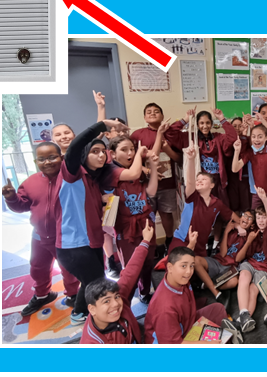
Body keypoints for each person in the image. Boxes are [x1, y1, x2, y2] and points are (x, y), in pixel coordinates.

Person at [55, 118, 129, 323]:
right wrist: (102, 124)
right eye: (94, 151)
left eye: (102, 151)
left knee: (90, 281)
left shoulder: (92, 180)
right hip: (73, 246)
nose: (100, 155)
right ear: (83, 156)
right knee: (99, 283)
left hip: (91, 242)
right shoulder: (73, 174)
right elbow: (76, 146)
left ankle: (79, 312)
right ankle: (96, 321)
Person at [2, 141, 80, 315]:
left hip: (64, 236)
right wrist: (12, 198)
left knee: (67, 269)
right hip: (39, 236)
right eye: (41, 159)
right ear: (36, 161)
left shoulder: (70, 178)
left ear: (61, 158)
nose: (47, 162)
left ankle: (74, 295)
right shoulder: (30, 182)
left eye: (52, 157)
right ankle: (42, 295)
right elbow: (22, 206)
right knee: (37, 267)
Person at [161, 140, 239, 302]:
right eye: (198, 180)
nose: (199, 182)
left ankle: (201, 286)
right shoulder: (192, 197)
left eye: (203, 180)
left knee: (196, 275)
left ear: (212, 185)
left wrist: (242, 226)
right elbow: (189, 181)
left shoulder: (217, 203)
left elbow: (231, 215)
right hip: (181, 241)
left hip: (201, 247)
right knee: (180, 270)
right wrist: (190, 159)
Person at [144, 237, 240, 344]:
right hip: (172, 343)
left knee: (217, 309)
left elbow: (181, 259)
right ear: (170, 267)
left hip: (187, 323)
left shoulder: (177, 277)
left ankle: (226, 337)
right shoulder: (165, 309)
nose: (189, 272)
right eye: (184, 266)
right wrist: (207, 344)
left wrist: (190, 246)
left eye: (192, 266)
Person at [80, 219, 155, 344]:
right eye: (106, 301)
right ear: (92, 309)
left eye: (116, 297)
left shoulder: (120, 296)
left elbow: (131, 270)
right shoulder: (92, 343)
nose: (115, 304)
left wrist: (145, 241)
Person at [103, 135, 158, 301]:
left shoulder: (137, 169)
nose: (130, 153)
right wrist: (141, 155)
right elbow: (132, 172)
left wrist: (154, 167)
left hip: (145, 221)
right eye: (124, 150)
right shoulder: (111, 171)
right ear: (112, 154)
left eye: (132, 149)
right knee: (132, 265)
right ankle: (125, 298)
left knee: (148, 261)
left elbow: (151, 192)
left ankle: (144, 292)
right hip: (126, 226)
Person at [129, 103, 183, 238]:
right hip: (145, 184)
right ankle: (149, 243)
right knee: (148, 215)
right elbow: (130, 161)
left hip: (168, 183)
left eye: (156, 111)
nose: (152, 113)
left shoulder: (171, 133)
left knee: (167, 214)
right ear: (144, 117)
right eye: (149, 112)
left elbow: (179, 159)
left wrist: (168, 150)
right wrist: (146, 170)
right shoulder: (137, 135)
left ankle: (169, 241)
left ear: (163, 116)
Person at [234, 190, 267, 333]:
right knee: (244, 277)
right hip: (250, 263)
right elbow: (238, 258)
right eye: (258, 217)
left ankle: (242, 322)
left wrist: (265, 199)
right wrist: (248, 239)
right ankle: (244, 314)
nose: (261, 220)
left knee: (253, 289)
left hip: (265, 268)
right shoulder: (252, 230)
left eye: (263, 217)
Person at [196, 210, 256, 300]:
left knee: (234, 282)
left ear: (252, 225)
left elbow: (238, 259)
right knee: (196, 260)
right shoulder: (232, 231)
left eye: (250, 218)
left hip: (229, 268)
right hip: (218, 261)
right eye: (245, 215)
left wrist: (248, 242)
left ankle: (207, 284)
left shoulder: (250, 237)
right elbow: (223, 253)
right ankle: (215, 291)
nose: (246, 218)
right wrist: (226, 232)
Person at [231, 122, 267, 211]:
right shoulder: (250, 153)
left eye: (260, 136)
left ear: (266, 137)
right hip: (256, 193)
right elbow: (235, 169)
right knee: (257, 218)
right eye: (253, 136)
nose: (256, 139)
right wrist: (237, 151)